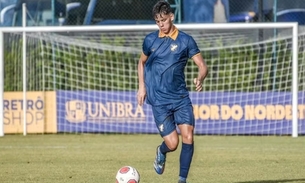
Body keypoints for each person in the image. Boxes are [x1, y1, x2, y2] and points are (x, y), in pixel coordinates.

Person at [137, 1, 208, 183]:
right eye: (157, 21)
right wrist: (141, 86)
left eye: (163, 20)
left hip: (180, 98)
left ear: (171, 17)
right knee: (172, 144)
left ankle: (182, 180)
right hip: (159, 100)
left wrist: (200, 78)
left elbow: (202, 65)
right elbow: (141, 62)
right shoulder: (150, 40)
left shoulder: (185, 40)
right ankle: (161, 151)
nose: (161, 24)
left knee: (188, 136)